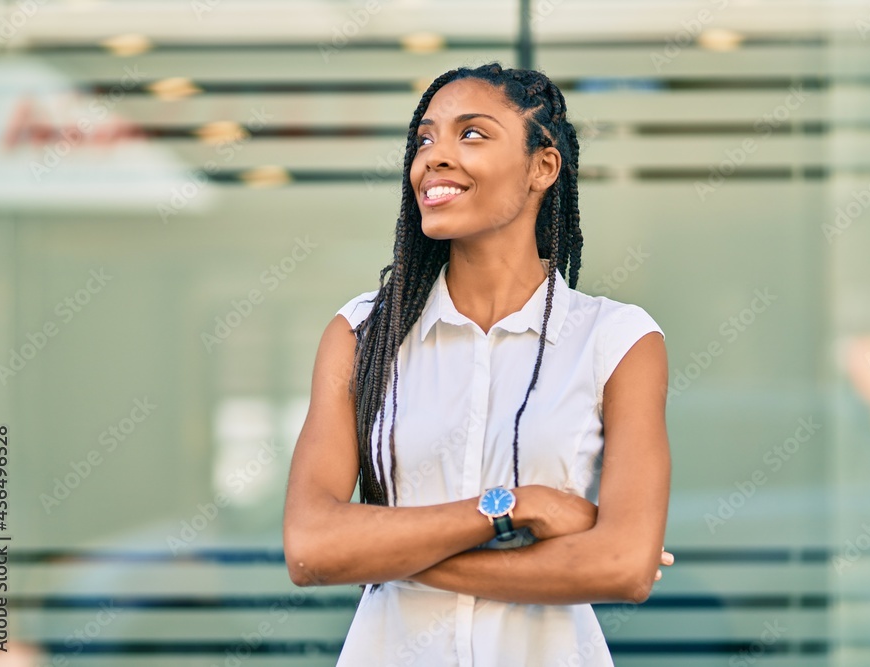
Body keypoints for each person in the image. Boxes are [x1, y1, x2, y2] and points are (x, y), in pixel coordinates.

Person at [282, 62, 672, 666]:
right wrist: (518, 508)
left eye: (471, 134)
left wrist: (390, 555)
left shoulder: (617, 341)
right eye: (424, 139)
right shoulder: (362, 334)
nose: (434, 156)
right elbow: (311, 547)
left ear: (543, 167)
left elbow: (623, 567)